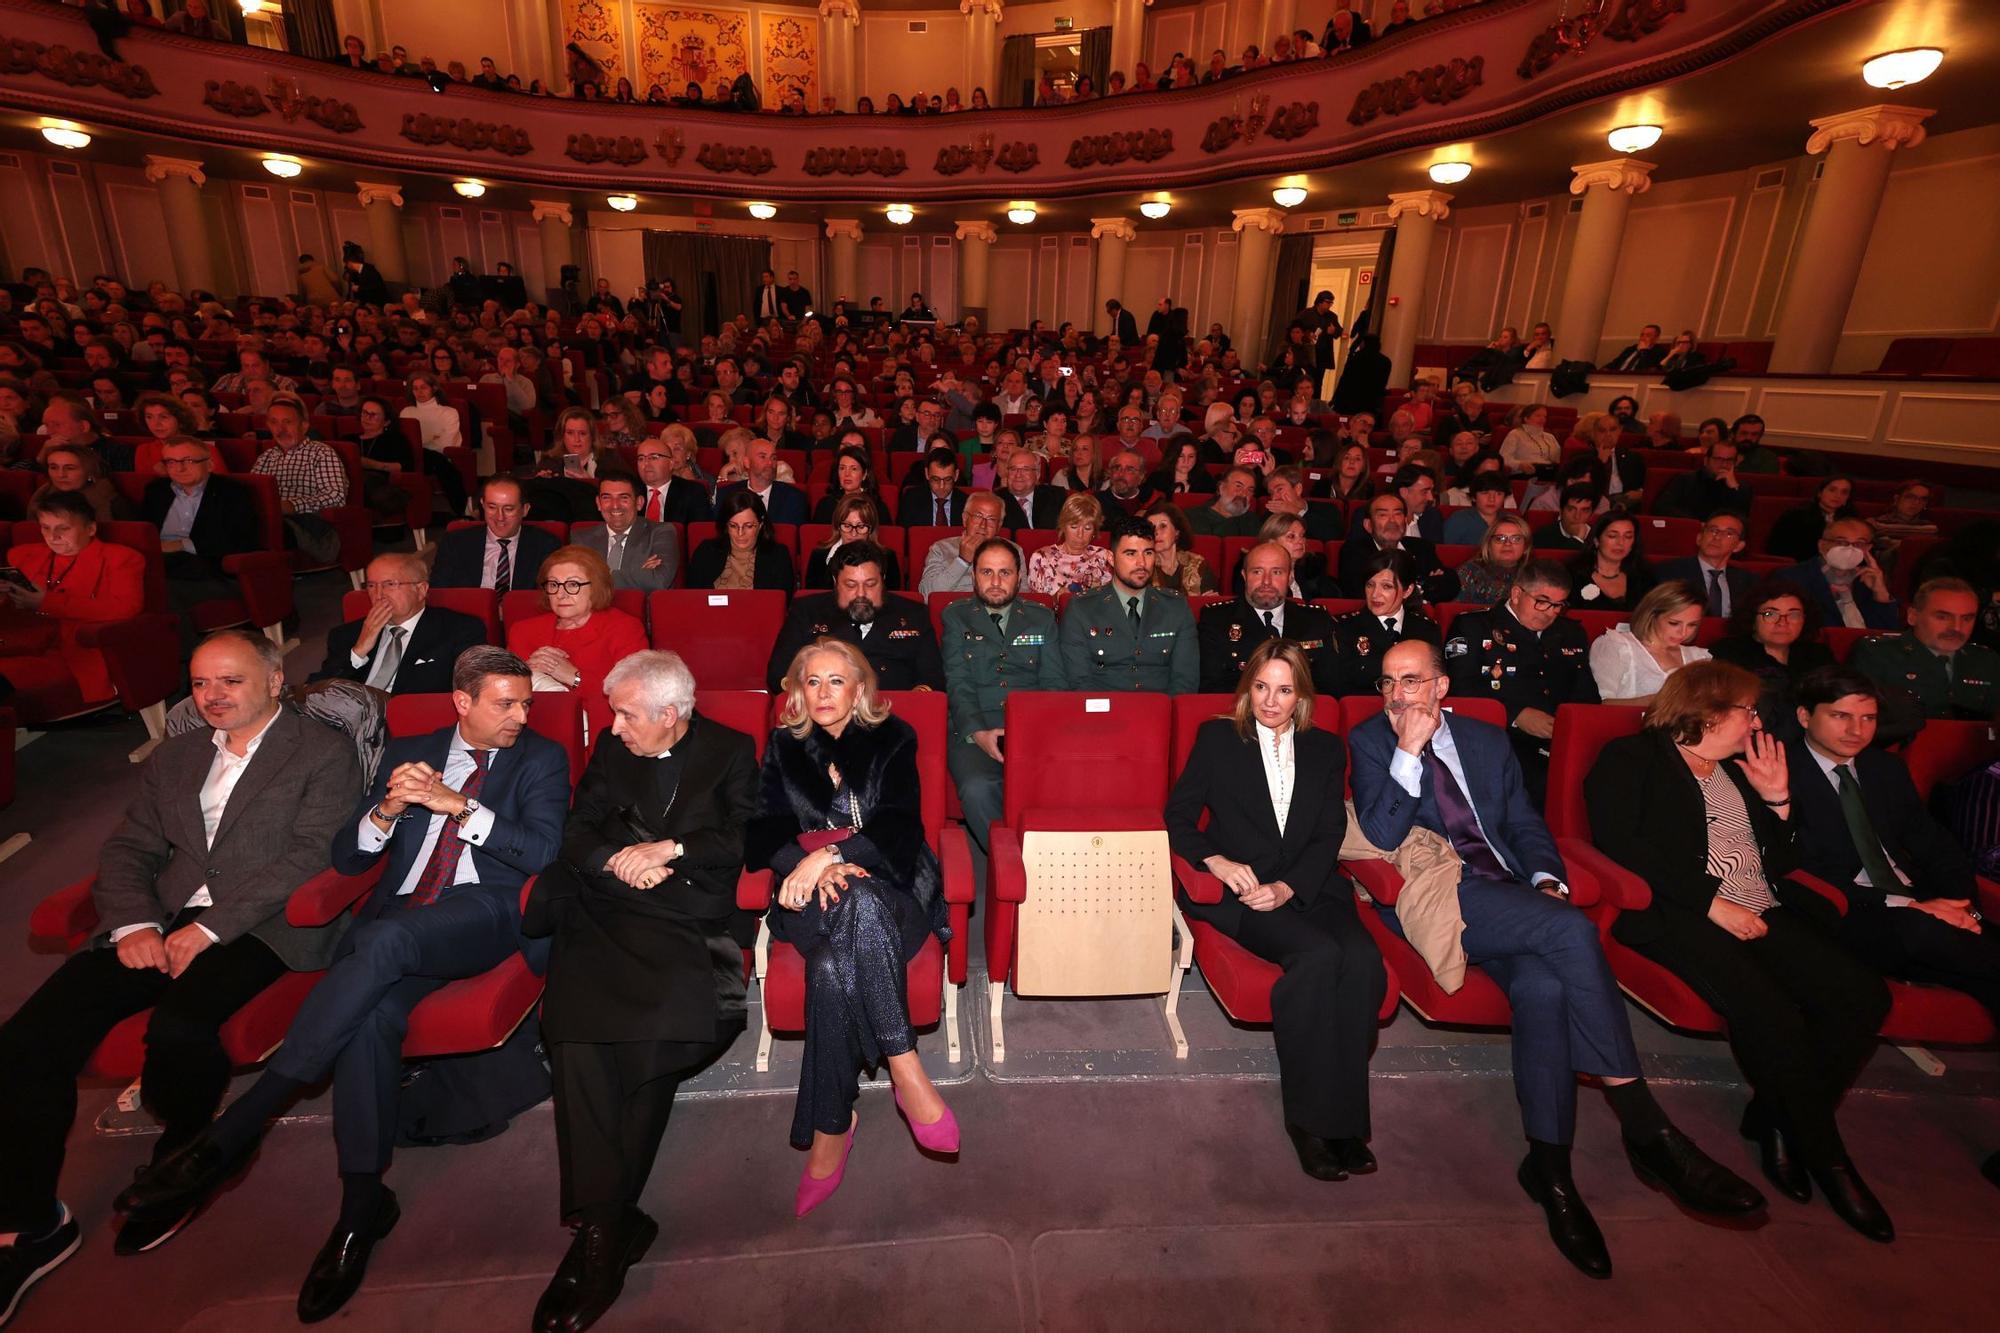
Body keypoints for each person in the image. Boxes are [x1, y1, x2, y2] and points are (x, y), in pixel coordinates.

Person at [120, 648, 573, 1319]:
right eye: (504, 703)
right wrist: (386, 811)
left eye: (526, 702)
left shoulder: (541, 758)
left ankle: (246, 1120)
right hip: (403, 915)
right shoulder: (410, 749)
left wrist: (458, 806)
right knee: (369, 1019)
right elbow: (346, 854)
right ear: (461, 701)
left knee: (381, 940)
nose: (520, 715)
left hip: (487, 913)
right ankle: (362, 1208)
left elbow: (541, 854)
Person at [1352, 641, 1763, 1276]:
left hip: (1515, 893)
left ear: (1440, 686)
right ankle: (1644, 1123)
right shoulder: (1372, 742)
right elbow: (1379, 833)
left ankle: (1550, 1172)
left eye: (1411, 681)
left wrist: (1546, 879)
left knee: (1544, 991)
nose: (1396, 695)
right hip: (1443, 891)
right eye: (1387, 683)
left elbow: (1523, 824)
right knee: (1571, 934)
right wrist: (1408, 748)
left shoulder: (1487, 740)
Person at [0, 628, 354, 1317]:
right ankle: (30, 1220)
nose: (213, 696)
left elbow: (310, 856)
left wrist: (212, 926)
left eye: (231, 680)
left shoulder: (323, 751)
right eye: (200, 683)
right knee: (25, 1043)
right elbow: (130, 845)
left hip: (263, 923)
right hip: (161, 917)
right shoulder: (179, 753)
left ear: (276, 680)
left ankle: (188, 1146)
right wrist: (134, 923)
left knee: (181, 1026)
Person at [1587, 661, 1893, 1242]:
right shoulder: (1632, 760)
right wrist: (1710, 903)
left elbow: (1777, 865)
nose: (1755, 721)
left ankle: (1777, 1118)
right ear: (1708, 711)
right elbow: (1620, 844)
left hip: (1762, 908)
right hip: (1680, 916)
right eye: (1746, 710)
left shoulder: (1733, 771)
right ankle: (1830, 1160)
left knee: (1863, 997)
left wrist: (1776, 801)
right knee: (1772, 1013)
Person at [520, 650, 760, 1331]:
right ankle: (606, 1229)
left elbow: (742, 834)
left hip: (691, 921)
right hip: (607, 910)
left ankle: (603, 1227)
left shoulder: (731, 749)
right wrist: (617, 865)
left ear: (670, 714)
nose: (613, 724)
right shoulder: (610, 745)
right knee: (579, 1036)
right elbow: (577, 831)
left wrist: (667, 851)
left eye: (626, 713)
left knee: (654, 1037)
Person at [746, 639, 959, 1216]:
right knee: (845, 912)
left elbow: (899, 827)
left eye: (835, 681)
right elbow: (762, 834)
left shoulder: (894, 739)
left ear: (860, 689)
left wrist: (832, 855)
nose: (822, 693)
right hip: (808, 901)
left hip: (893, 889)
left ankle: (831, 1129)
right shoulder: (784, 748)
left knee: (838, 958)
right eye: (811, 682)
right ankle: (904, 1064)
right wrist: (807, 866)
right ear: (797, 690)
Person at [1168, 640, 1385, 1179]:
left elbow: (1331, 830)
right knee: (1315, 958)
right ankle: (1309, 1123)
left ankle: (1347, 1121)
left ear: (1301, 697)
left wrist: (1290, 887)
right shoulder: (1219, 737)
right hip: (1244, 894)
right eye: (1261, 687)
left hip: (1309, 888)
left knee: (1360, 962)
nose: (1270, 701)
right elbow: (1177, 815)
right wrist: (1214, 860)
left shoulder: (1326, 749)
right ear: (1248, 688)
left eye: (1284, 690)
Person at [1787, 665, 1998, 1023]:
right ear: (1805, 716)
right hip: (1845, 910)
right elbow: (1799, 867)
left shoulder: (1884, 768)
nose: (1857, 730)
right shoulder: (1778, 772)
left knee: (1982, 979)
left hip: (1921, 906)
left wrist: (1964, 906)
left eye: (1868, 718)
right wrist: (1912, 907)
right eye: (1841, 716)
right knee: (1923, 931)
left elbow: (1936, 845)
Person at [941, 539, 1066, 886]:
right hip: (973, 727)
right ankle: (1018, 868)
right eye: (987, 572)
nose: (995, 582)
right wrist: (979, 734)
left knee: (1059, 784)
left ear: (1019, 577)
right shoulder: (956, 615)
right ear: (974, 577)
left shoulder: (1041, 618)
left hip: (1032, 727)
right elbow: (958, 682)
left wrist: (1034, 735)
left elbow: (1054, 684)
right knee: (979, 787)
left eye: (1005, 573)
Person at [1443, 560, 1600, 805]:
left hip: (1561, 736)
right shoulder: (1475, 626)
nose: (1550, 612)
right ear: (1517, 594)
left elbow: (1586, 694)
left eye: (1558, 605)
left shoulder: (1569, 632)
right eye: (1542, 601)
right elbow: (1461, 689)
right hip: (1502, 736)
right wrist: (1515, 715)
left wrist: (1572, 725)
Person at [0, 491, 146, 724]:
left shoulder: (121, 558)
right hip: (23, 641)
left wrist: (46, 602)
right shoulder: (23, 555)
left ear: (90, 529)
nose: (53, 537)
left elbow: (125, 608)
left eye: (63, 528)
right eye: (45, 528)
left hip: (73, 646)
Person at [506, 546, 649, 739]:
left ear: (596, 586)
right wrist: (527, 676)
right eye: (554, 584)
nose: (561, 594)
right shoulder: (523, 631)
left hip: (604, 735)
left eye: (573, 585)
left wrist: (574, 678)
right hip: (533, 733)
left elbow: (636, 697)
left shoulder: (624, 628)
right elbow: (504, 694)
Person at [767, 542, 943, 694]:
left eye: (870, 584)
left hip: (894, 713)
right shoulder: (807, 611)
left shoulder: (913, 614)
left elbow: (933, 678)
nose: (861, 594)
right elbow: (779, 674)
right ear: (836, 581)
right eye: (851, 585)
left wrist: (916, 698)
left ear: (883, 580)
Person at [1059, 517, 1199, 693]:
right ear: (1111, 558)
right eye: (1131, 553)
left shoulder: (1176, 607)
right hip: (1104, 713)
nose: (1141, 563)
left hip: (1159, 712)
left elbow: (1185, 680)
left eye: (1148, 553)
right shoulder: (1081, 608)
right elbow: (1079, 681)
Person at [313, 553, 485, 696]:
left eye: (390, 585)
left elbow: (473, 690)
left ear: (421, 590)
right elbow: (316, 691)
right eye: (371, 586)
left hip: (414, 722)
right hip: (350, 721)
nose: (378, 595)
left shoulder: (460, 629)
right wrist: (359, 651)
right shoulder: (346, 634)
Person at [143, 436, 260, 626]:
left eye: (188, 461)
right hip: (159, 561)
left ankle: (182, 653)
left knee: (162, 589)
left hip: (210, 568)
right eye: (171, 462)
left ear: (210, 465)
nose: (179, 468)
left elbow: (242, 540)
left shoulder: (232, 492)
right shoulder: (156, 491)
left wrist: (182, 545)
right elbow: (144, 531)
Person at [1197, 541, 1339, 694]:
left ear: (1290, 577)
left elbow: (1329, 687)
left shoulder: (1316, 620)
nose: (1266, 581)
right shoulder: (1217, 619)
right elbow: (1212, 688)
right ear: (1244, 576)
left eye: (1276, 572)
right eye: (1257, 572)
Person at [1847, 577, 1997, 720]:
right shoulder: (1878, 654)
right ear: (1912, 616)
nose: (1956, 628)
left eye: (1967, 618)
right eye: (1942, 617)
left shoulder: (1985, 660)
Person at [1709, 580, 1836, 738]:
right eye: (1770, 614)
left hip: (1812, 740)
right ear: (1752, 618)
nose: (1782, 622)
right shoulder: (1729, 652)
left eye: (1793, 614)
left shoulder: (1818, 654)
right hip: (1751, 737)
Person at [1328, 551, 1443, 697]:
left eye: (1386, 587)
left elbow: (1434, 684)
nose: (1375, 594)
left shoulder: (1426, 630)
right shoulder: (1343, 627)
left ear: (1407, 591)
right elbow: (1337, 687)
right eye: (1370, 585)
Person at [250, 397, 346, 564]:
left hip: (304, 521)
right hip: (268, 516)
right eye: (274, 422)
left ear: (304, 426)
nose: (280, 429)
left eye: (287, 422)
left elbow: (336, 497)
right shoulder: (265, 458)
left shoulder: (321, 453)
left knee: (263, 528)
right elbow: (252, 493)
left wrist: (292, 505)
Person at [429, 477, 561, 593]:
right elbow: (439, 592)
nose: (500, 517)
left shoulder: (546, 545)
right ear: (482, 505)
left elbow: (550, 595)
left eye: (508, 509)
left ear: (525, 510)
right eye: (492, 507)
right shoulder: (455, 542)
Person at [1590, 580, 1711, 707]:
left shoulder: (1698, 658)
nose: (1683, 632)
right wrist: (1654, 701)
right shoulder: (1617, 646)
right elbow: (1601, 704)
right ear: (1652, 615)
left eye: (1692, 625)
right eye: (1674, 623)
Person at [1776, 517, 1899, 630]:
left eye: (1859, 544)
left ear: (1868, 549)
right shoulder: (1792, 578)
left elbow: (1889, 631)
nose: (1850, 549)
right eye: (1841, 542)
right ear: (1822, 545)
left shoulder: (1870, 579)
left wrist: (1880, 593)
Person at [1338, 492, 1459, 606]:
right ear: (1368, 525)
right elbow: (1360, 593)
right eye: (1383, 515)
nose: (1392, 521)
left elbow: (1450, 584)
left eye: (1398, 514)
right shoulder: (1354, 551)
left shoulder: (1421, 547)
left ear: (1405, 520)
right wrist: (1424, 585)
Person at [575, 469, 682, 592]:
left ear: (639, 502)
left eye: (623, 498)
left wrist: (596, 576)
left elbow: (659, 580)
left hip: (640, 610)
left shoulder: (660, 532)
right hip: (593, 609)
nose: (615, 505)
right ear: (598, 503)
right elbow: (573, 582)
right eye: (607, 498)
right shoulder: (582, 538)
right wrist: (639, 574)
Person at [688, 490, 798, 593]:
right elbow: (694, 599)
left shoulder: (778, 556)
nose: (740, 533)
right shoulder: (706, 552)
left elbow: (780, 602)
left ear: (760, 524)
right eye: (733, 526)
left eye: (748, 526)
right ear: (726, 525)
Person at [1657, 511, 1753, 619]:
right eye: (1713, 530)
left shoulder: (1748, 581)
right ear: (1699, 538)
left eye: (1728, 533)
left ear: (1738, 546)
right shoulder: (1669, 571)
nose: (1717, 537)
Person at [1025, 493, 1113, 597]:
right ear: (1063, 526)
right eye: (1074, 527)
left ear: (1094, 531)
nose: (1080, 535)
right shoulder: (1041, 558)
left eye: (1087, 528)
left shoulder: (1103, 557)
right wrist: (1056, 598)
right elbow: (1035, 603)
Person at [806, 495, 900, 591]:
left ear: (871, 530)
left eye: (861, 527)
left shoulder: (888, 558)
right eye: (847, 526)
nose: (853, 534)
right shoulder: (818, 557)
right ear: (838, 527)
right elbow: (811, 601)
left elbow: (893, 602)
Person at [918, 492, 1006, 596]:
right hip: (953, 607)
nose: (983, 525)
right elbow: (927, 593)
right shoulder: (941, 548)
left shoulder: (1012, 551)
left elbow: (1023, 596)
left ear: (999, 525)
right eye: (978, 516)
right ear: (965, 519)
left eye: (991, 519)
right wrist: (962, 562)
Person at [1567, 512, 1654, 612]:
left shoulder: (1644, 577)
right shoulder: (1573, 575)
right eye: (1612, 536)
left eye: (1628, 537)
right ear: (1596, 540)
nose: (1620, 543)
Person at [715, 438, 810, 527]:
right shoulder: (726, 495)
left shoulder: (795, 498)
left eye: (773, 458)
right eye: (763, 457)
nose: (770, 463)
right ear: (747, 462)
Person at [1653, 439, 1750, 521]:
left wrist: (1734, 489)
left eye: (1729, 460)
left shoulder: (1741, 488)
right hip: (1688, 530)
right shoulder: (1685, 479)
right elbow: (1662, 508)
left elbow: (1741, 520)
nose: (1724, 465)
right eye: (1718, 459)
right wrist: (1696, 524)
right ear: (1706, 461)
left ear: (1735, 463)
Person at [1768, 476, 1857, 563]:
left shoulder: (1852, 520)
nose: (1838, 495)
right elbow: (1779, 548)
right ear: (1819, 493)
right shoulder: (1795, 516)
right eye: (1832, 490)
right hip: (1804, 564)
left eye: (1844, 492)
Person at [1453, 513, 1534, 607]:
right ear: (1489, 545)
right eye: (1500, 538)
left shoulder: (1536, 575)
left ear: (1525, 545)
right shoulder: (1469, 572)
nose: (1507, 543)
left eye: (1516, 539)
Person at [635, 428, 712, 525]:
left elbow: (699, 534)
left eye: (654, 458)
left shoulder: (694, 492)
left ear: (670, 463)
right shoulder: (629, 490)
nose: (646, 464)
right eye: (641, 459)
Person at [897, 446, 969, 528]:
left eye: (948, 479)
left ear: (956, 475)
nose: (941, 486)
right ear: (927, 473)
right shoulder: (911, 499)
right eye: (935, 479)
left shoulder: (967, 504)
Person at [997, 450, 1065, 530]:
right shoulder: (996, 500)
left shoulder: (1056, 496)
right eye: (1013, 469)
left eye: (1026, 470)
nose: (1018, 475)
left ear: (1037, 474)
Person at [1186, 467, 1262, 539]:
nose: (1244, 494)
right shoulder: (1192, 516)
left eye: (1250, 490)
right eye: (1238, 486)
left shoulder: (1253, 521)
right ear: (1221, 487)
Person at [1441, 473, 1512, 547]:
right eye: (1485, 493)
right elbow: (1447, 552)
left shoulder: (1511, 520)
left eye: (1498, 494)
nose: (1492, 499)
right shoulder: (1458, 520)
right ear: (1473, 497)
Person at [1498, 404, 1560, 476]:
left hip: (1548, 474)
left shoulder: (1550, 437)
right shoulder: (1515, 434)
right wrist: (1520, 465)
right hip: (1524, 474)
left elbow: (1557, 460)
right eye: (1538, 416)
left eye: (1544, 416)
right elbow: (1504, 459)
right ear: (1526, 418)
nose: (1542, 419)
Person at [1603, 324, 1667, 372]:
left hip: (1635, 381)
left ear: (1656, 338)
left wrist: (1644, 351)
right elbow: (1615, 363)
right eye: (1642, 335)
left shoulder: (1660, 352)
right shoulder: (1631, 349)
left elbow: (1646, 369)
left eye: (1648, 335)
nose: (1643, 338)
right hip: (1618, 377)